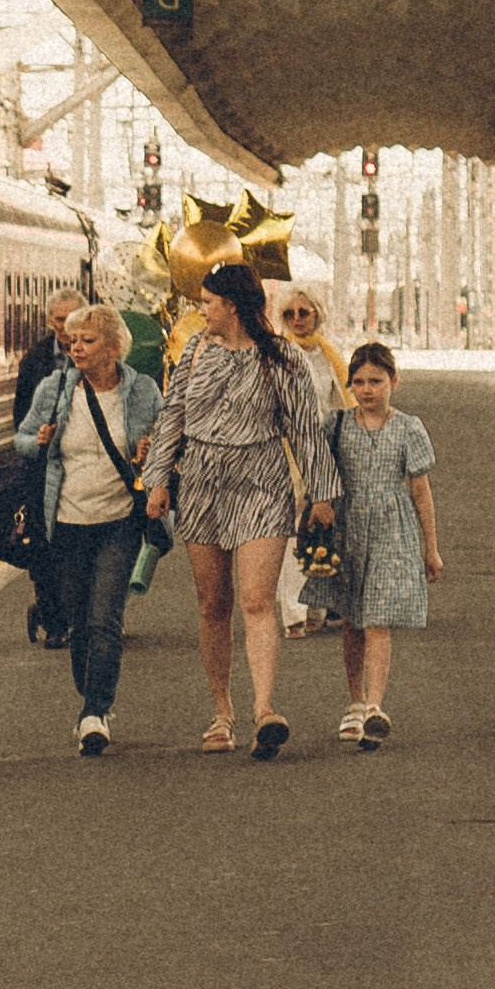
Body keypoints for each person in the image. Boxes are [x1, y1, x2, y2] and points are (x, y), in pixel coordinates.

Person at [140, 257, 338, 759]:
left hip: (261, 481)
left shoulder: (283, 358)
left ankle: (265, 710)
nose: (201, 310)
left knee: (256, 599)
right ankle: (222, 711)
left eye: (207, 303)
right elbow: (173, 417)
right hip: (204, 481)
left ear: (231, 305)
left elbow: (304, 427)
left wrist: (322, 493)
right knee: (213, 604)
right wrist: (157, 479)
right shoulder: (195, 352)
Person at [15, 301, 160, 755]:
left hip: (119, 521)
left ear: (115, 347)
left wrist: (150, 451)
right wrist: (37, 442)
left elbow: (169, 444)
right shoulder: (55, 389)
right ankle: (90, 695)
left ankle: (95, 710)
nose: (75, 347)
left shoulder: (143, 392)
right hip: (67, 521)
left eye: (88, 340)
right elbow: (20, 438)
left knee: (104, 620)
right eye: (73, 340)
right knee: (79, 620)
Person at [327, 343, 441, 748]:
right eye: (358, 382)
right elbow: (319, 474)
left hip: (395, 531)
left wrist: (431, 547)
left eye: (376, 380)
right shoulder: (337, 425)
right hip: (349, 529)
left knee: (377, 620)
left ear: (394, 381)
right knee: (352, 621)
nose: (367, 389)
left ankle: (375, 706)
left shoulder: (409, 427)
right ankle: (354, 702)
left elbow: (420, 490)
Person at [272, 290, 350, 634]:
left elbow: (342, 401)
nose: (297, 318)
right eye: (289, 313)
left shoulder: (328, 355)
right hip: (286, 451)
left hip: (325, 450)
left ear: (318, 314)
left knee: (322, 524)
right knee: (292, 529)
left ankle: (318, 605)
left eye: (304, 312)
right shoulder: (277, 353)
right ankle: (294, 614)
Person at [13, 289, 88, 645]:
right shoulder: (35, 362)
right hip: (44, 472)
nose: (65, 328)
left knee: (80, 547)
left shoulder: (101, 357)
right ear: (49, 321)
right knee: (44, 549)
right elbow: (20, 423)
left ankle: (84, 617)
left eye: (72, 319)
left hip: (87, 470)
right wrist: (36, 442)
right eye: (59, 320)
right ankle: (55, 622)